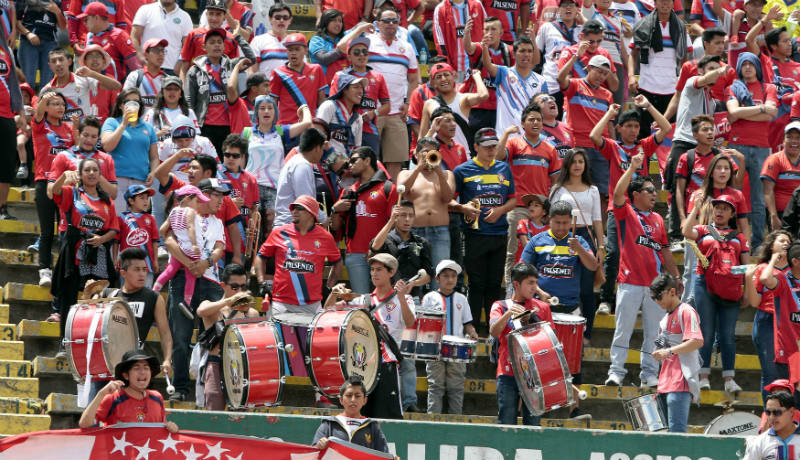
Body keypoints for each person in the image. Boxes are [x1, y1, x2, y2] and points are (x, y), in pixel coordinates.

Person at [591, 98, 672, 314]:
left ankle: (639, 300)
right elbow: (594, 136)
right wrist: (609, 113)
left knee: (640, 253)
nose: (633, 130)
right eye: (628, 126)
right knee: (615, 253)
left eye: (636, 126)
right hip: (617, 209)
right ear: (619, 128)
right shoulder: (613, 147)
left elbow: (666, 127)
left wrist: (648, 106)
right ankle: (606, 300)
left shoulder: (644, 146)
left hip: (641, 213)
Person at [607, 152, 681, 387]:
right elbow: (618, 194)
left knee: (655, 334)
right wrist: (632, 169)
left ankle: (649, 373)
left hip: (656, 285)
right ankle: (616, 372)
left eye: (654, 190)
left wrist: (676, 277)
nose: (654, 194)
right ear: (636, 194)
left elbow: (666, 251)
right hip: (629, 282)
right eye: (649, 190)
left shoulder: (659, 218)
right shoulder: (626, 212)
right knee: (623, 330)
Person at [326, 253, 415, 419]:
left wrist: (401, 298)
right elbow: (328, 311)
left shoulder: (405, 299)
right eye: (372, 269)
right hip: (362, 366)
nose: (374, 273)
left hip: (387, 364)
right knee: (361, 418)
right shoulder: (362, 300)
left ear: (391, 272)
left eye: (379, 270)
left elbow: (410, 323)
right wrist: (333, 293)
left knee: (388, 418)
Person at [162, 178, 227, 401]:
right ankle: (180, 388)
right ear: (205, 194)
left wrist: (205, 264)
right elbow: (168, 240)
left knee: (215, 335)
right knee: (180, 334)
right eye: (218, 195)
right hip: (182, 277)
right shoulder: (182, 211)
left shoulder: (218, 222)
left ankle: (212, 389)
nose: (221, 200)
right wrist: (190, 264)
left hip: (210, 280)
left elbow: (219, 248)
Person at [51, 157, 119, 358]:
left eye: (95, 170)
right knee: (69, 297)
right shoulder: (72, 193)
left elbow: (114, 228)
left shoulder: (107, 201)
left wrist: (102, 239)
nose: (91, 173)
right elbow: (53, 192)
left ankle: (94, 343)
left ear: (100, 175)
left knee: (99, 297)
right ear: (80, 174)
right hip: (75, 249)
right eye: (87, 170)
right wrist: (63, 177)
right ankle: (66, 343)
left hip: (98, 251)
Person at [369, 200, 432, 413]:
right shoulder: (388, 239)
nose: (406, 220)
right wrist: (389, 221)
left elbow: (429, 274)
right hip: (383, 300)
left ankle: (409, 401)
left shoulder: (422, 242)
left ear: (414, 218)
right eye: (401, 215)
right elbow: (374, 247)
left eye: (409, 215)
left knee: (407, 356)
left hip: (408, 300)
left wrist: (411, 285)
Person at [683, 193, 749, 393]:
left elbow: (746, 267)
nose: (720, 211)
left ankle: (729, 378)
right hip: (704, 284)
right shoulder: (703, 230)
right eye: (717, 207)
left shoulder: (739, 237)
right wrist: (696, 207)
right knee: (706, 332)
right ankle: (704, 376)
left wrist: (730, 275)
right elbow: (685, 231)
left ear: (731, 213)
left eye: (725, 208)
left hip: (730, 288)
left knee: (728, 335)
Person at [454, 128, 516, 330]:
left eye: (494, 146)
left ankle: (492, 330)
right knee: (476, 285)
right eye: (487, 147)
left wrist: (501, 210)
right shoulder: (462, 170)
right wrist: (463, 208)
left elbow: (513, 199)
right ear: (476, 147)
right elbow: (448, 201)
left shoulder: (504, 168)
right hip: (474, 235)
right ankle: (473, 329)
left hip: (499, 234)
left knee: (494, 285)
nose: (491, 150)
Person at [497, 104, 561, 290]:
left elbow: (555, 181)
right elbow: (499, 155)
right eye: (531, 119)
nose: (536, 122)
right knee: (513, 250)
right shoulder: (514, 143)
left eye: (539, 120)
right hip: (517, 207)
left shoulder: (550, 149)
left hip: (541, 208)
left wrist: (549, 208)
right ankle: (511, 288)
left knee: (542, 251)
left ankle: (538, 288)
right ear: (523, 123)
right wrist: (506, 134)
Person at [548, 151, 603, 340]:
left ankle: (586, 334)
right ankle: (558, 331)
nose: (578, 165)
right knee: (564, 283)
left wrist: (601, 247)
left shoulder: (593, 190)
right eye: (574, 162)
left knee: (587, 289)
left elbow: (597, 220)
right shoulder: (558, 190)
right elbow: (552, 218)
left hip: (586, 237)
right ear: (567, 165)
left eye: (581, 161)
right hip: (563, 237)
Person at [726, 52, 778, 251]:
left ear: (757, 66)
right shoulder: (733, 88)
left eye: (751, 64)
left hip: (761, 148)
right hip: (736, 146)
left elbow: (771, 114)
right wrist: (762, 109)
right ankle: (732, 239)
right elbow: (733, 113)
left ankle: (756, 243)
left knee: (758, 198)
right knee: (732, 195)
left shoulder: (769, 87)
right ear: (739, 67)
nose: (748, 67)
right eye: (744, 64)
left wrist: (745, 112)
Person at [489, 262, 553, 426]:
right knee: (506, 422)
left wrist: (532, 320)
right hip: (508, 371)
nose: (534, 287)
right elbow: (494, 332)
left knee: (533, 424)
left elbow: (552, 340)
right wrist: (509, 313)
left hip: (534, 373)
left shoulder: (542, 307)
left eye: (535, 283)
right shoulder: (501, 306)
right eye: (530, 283)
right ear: (516, 284)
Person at [256, 195, 342, 315]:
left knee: (310, 335)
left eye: (300, 208)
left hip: (312, 304)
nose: (294, 211)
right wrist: (262, 282)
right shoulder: (279, 232)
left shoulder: (325, 237)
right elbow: (260, 257)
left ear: (312, 214)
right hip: (281, 303)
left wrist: (329, 286)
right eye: (293, 208)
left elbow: (338, 262)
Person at [332, 147, 398, 293]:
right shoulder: (348, 191)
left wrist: (380, 249)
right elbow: (336, 226)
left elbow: (394, 226)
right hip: (355, 253)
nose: (350, 165)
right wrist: (335, 209)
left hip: (382, 253)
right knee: (361, 303)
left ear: (368, 161)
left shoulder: (388, 188)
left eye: (354, 160)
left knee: (384, 300)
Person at [244, 96, 311, 239]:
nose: (266, 111)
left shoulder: (281, 131)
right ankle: (251, 261)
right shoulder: (247, 132)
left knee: (271, 228)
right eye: (262, 108)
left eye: (270, 108)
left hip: (275, 187)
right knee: (252, 230)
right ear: (256, 112)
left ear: (275, 112)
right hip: (252, 187)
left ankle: (268, 261)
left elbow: (307, 123)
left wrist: (304, 107)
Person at [366, 5, 420, 179]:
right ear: (377, 23)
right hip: (371, 111)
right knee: (368, 159)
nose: (391, 24)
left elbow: (413, 79)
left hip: (397, 112)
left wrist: (407, 103)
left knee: (395, 161)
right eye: (386, 20)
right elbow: (344, 49)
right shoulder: (367, 41)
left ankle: (392, 200)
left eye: (394, 21)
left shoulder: (407, 47)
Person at [196, 263, 259, 410]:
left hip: (241, 365)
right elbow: (201, 311)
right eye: (235, 287)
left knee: (240, 413)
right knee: (214, 409)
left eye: (243, 287)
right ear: (223, 285)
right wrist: (229, 301)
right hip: (216, 362)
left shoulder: (251, 313)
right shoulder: (212, 307)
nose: (240, 291)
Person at [101, 248, 172, 376]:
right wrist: (88, 294)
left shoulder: (154, 298)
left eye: (144, 270)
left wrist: (167, 359)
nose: (142, 274)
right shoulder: (108, 295)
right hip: (104, 362)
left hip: (131, 365)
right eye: (137, 270)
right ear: (123, 273)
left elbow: (165, 334)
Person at [185, 26, 256, 154]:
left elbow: (251, 58)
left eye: (219, 42)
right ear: (204, 47)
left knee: (228, 162)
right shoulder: (194, 70)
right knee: (207, 163)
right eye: (212, 43)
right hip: (205, 126)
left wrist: (238, 37)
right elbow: (189, 100)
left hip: (229, 125)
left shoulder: (232, 64)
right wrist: (192, 126)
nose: (216, 45)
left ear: (224, 46)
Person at [649, 274, 704, 433]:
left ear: (672, 292)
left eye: (659, 296)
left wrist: (668, 351)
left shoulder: (686, 311)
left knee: (676, 435)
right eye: (653, 298)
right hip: (665, 383)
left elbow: (697, 341)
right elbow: (661, 343)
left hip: (681, 381)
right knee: (666, 437)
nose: (657, 301)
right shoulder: (665, 318)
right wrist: (658, 350)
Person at [422, 260, 478, 415]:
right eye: (445, 276)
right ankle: (432, 419)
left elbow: (467, 323)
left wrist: (472, 332)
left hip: (457, 349)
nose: (450, 279)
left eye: (453, 276)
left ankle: (455, 420)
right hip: (434, 348)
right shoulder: (429, 298)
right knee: (435, 386)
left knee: (456, 387)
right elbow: (424, 323)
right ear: (437, 278)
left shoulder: (461, 298)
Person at [628, 0, 690, 139]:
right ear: (655, 3)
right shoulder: (643, 25)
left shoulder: (681, 27)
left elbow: (685, 59)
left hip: (671, 90)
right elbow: (632, 54)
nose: (665, 4)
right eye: (661, 1)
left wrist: (683, 80)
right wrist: (631, 76)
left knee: (669, 134)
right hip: (646, 87)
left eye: (668, 1)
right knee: (643, 133)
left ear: (673, 4)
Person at [397, 137, 456, 281]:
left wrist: (438, 171)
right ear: (416, 155)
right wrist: (418, 168)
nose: (429, 155)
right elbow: (403, 190)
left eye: (433, 152)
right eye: (425, 152)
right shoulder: (406, 174)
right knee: (415, 278)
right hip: (414, 232)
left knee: (440, 276)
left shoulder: (447, 174)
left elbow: (448, 198)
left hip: (439, 232)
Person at [31, 91, 74, 288]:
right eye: (53, 103)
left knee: (65, 230)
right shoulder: (40, 125)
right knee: (47, 231)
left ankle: (63, 269)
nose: (59, 107)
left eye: (61, 104)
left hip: (64, 186)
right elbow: (37, 113)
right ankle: (44, 270)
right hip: (43, 182)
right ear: (45, 106)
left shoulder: (69, 130)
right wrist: (43, 99)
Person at [78, 349, 179, 430]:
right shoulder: (113, 398)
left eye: (146, 368)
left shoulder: (157, 397)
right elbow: (84, 424)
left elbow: (162, 428)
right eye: (136, 368)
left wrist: (171, 427)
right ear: (126, 375)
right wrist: (101, 394)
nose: (142, 372)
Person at [558, 52, 614, 197]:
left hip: (601, 147)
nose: (601, 76)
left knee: (603, 193)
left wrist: (612, 148)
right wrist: (575, 57)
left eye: (605, 74)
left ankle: (599, 221)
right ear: (589, 68)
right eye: (599, 71)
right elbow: (560, 78)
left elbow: (610, 125)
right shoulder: (575, 85)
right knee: (576, 190)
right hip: (578, 146)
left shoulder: (607, 94)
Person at [747, 230, 792, 403]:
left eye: (788, 241)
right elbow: (754, 302)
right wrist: (748, 279)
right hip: (767, 321)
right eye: (781, 240)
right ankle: (771, 415)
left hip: (791, 323)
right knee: (771, 372)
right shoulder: (762, 269)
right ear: (771, 245)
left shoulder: (794, 270)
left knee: (791, 373)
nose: (785, 243)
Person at [330, 35, 391, 156]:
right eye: (357, 52)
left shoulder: (377, 77)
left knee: (370, 168)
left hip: (369, 130)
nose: (361, 55)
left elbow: (387, 106)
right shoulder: (340, 76)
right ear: (349, 57)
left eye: (364, 52)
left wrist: (374, 113)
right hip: (345, 130)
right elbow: (332, 104)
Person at [101, 88, 160, 213]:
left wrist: (153, 172)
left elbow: (154, 157)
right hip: (116, 180)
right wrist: (123, 124)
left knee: (137, 225)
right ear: (121, 105)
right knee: (118, 223)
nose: (132, 105)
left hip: (140, 183)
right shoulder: (111, 122)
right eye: (127, 101)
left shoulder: (148, 128)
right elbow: (107, 146)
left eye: (136, 102)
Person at [153, 185, 207, 309]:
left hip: (180, 247)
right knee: (191, 276)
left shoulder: (173, 211)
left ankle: (156, 289)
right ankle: (187, 303)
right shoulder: (190, 211)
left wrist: (174, 236)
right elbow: (190, 228)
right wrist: (193, 244)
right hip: (190, 249)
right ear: (188, 198)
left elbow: (162, 229)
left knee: (170, 270)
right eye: (197, 201)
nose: (198, 205)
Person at [482, 35, 547, 135]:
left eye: (530, 51)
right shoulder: (504, 73)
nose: (526, 54)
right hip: (505, 136)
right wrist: (485, 48)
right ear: (513, 54)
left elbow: (544, 110)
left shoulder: (541, 81)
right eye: (522, 51)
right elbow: (488, 66)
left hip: (529, 138)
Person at [418, 65, 488, 154]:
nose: (443, 79)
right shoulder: (429, 104)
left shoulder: (463, 99)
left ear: (454, 77)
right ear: (433, 82)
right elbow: (422, 135)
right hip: (438, 156)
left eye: (446, 75)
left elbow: (484, 95)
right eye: (438, 77)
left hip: (462, 154)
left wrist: (477, 76)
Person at [461, 17, 513, 135]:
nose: (489, 32)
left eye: (493, 29)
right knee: (475, 144)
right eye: (486, 29)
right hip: (478, 107)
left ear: (501, 32)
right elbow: (468, 47)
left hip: (501, 108)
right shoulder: (480, 48)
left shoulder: (509, 52)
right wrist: (467, 33)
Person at [312, 377, 392, 454]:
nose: (353, 400)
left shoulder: (372, 427)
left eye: (357, 396)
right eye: (349, 395)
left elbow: (383, 455)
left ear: (364, 400)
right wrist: (319, 446)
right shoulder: (329, 424)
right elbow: (314, 453)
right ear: (341, 400)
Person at [760, 242, 800, 396]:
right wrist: (774, 258)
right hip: (788, 351)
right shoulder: (783, 280)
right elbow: (765, 278)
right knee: (790, 398)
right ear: (795, 261)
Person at [42, 48, 122, 119]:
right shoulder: (46, 90)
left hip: (83, 132)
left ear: (70, 61)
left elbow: (117, 86)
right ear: (49, 66)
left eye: (61, 59)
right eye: (54, 61)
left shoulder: (83, 80)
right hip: (61, 134)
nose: (58, 64)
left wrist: (91, 73)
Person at [273, 128, 329, 227]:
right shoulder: (302, 165)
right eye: (322, 149)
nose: (322, 154)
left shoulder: (297, 161)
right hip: (290, 226)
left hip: (289, 225)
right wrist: (324, 219)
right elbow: (305, 201)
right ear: (316, 148)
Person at [215, 134, 258, 264]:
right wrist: (228, 204)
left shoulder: (251, 179)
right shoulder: (215, 174)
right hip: (219, 235)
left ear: (243, 157)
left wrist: (253, 223)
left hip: (241, 235)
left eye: (235, 155)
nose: (230, 158)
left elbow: (254, 208)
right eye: (227, 155)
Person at [269, 33, 327, 126]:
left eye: (297, 49)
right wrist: (275, 129)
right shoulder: (277, 72)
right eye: (290, 50)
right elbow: (272, 103)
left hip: (309, 125)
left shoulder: (316, 69)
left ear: (306, 50)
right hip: (285, 127)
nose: (293, 53)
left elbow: (321, 101)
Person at [535, 0, 581, 114]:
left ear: (577, 9)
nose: (568, 8)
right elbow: (536, 52)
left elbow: (599, 35)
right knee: (549, 119)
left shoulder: (582, 31)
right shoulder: (547, 27)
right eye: (564, 5)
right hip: (551, 82)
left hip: (575, 84)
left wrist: (583, 20)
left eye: (571, 5)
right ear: (559, 9)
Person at [176, 0, 241, 79]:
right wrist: (184, 88)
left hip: (222, 86)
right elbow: (184, 66)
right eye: (211, 13)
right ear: (206, 15)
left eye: (218, 14)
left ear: (225, 16)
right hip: (197, 84)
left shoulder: (231, 39)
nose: (214, 18)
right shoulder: (194, 35)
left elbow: (234, 69)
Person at [75, 2, 140, 80]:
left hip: (118, 89)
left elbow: (136, 68)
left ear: (96, 18)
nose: (84, 23)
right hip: (95, 89)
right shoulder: (89, 37)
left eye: (86, 19)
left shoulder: (119, 35)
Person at [131, 0, 193, 75]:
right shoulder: (145, 10)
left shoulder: (185, 17)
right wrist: (140, 57)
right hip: (148, 67)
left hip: (172, 70)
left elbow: (187, 45)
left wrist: (179, 62)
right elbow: (134, 36)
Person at [16, 0, 65, 90]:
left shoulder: (57, 2)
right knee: (28, 83)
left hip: (50, 44)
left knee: (47, 85)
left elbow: (63, 26)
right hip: (29, 43)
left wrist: (57, 12)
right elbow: (16, 22)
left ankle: (43, 103)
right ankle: (27, 104)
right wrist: (28, 34)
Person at [116, 186, 159, 287]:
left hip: (147, 265)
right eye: (142, 198)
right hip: (127, 265)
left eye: (147, 198)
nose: (146, 201)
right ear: (131, 201)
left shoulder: (150, 218)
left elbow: (155, 241)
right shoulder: (122, 217)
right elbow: (116, 241)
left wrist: (155, 261)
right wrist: (115, 258)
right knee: (127, 295)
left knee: (146, 294)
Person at [316, 74, 366, 156]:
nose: (360, 91)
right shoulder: (329, 106)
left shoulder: (358, 118)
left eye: (361, 88)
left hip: (347, 163)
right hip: (325, 161)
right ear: (344, 90)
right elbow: (317, 136)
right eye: (356, 87)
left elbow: (357, 148)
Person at [432, 0, 485, 77]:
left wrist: (482, 64)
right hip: (455, 70)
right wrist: (448, 68)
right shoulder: (440, 9)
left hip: (478, 68)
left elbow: (486, 32)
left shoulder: (477, 5)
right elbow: (440, 44)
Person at [763, 122, 800, 229]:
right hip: (780, 214)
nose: (794, 141)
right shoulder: (774, 159)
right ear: (783, 140)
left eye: (798, 138)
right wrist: (773, 216)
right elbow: (767, 190)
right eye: (790, 137)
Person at [742, 392, 800, 460]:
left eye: (777, 412)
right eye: (768, 413)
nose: (771, 417)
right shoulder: (760, 442)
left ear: (791, 412)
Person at [143, 76, 200, 141]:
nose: (172, 92)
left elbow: (196, 137)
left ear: (181, 94)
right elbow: (144, 138)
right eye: (168, 89)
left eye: (176, 89)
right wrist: (159, 134)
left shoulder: (189, 112)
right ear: (162, 92)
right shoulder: (152, 113)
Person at [248, 3, 293, 80]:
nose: (281, 20)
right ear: (270, 19)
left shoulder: (295, 42)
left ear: (290, 20)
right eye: (277, 17)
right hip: (266, 90)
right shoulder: (258, 41)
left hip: (290, 90)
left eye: (285, 18)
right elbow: (252, 71)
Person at [124, 38, 168, 108]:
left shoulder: (168, 79)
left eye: (163, 51)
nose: (161, 54)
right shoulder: (135, 77)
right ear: (146, 54)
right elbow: (125, 101)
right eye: (156, 50)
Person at [308, 9, 349, 83]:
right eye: (334, 20)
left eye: (340, 21)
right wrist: (341, 48)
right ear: (325, 22)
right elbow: (324, 59)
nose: (338, 23)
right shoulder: (316, 40)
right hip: (322, 88)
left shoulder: (344, 37)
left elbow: (357, 29)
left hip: (342, 87)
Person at [532, 93, 574, 160]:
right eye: (544, 100)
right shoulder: (534, 133)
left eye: (551, 98)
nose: (550, 101)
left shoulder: (566, 128)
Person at [514, 194, 549, 264]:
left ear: (544, 212)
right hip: (524, 265)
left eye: (536, 205)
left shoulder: (548, 229)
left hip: (540, 266)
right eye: (530, 205)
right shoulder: (523, 223)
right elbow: (525, 245)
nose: (531, 207)